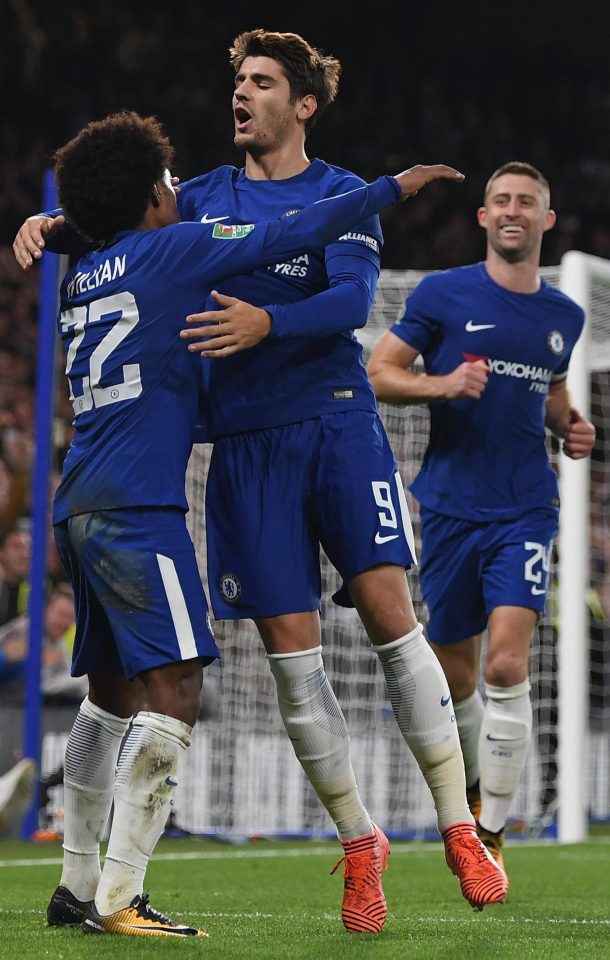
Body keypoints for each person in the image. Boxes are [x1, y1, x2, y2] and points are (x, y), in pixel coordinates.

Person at [14, 31, 506, 930]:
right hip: (242, 446)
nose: (240, 93)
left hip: (335, 422)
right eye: (237, 79)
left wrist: (265, 324)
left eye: (261, 81)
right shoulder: (198, 197)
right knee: (290, 659)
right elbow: (117, 220)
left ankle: (461, 823)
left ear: (304, 102)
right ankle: (362, 845)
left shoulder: (336, 191)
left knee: (393, 613)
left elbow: (351, 305)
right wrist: (50, 226)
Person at [367, 161, 596, 876]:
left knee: (505, 662)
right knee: (457, 677)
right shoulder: (443, 295)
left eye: (527, 201)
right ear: (483, 217)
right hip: (450, 508)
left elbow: (549, 391)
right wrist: (443, 383)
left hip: (526, 506)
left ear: (545, 221)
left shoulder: (565, 314)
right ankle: (471, 794)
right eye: (501, 199)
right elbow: (379, 371)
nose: (513, 210)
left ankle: (492, 833)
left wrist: (572, 424)